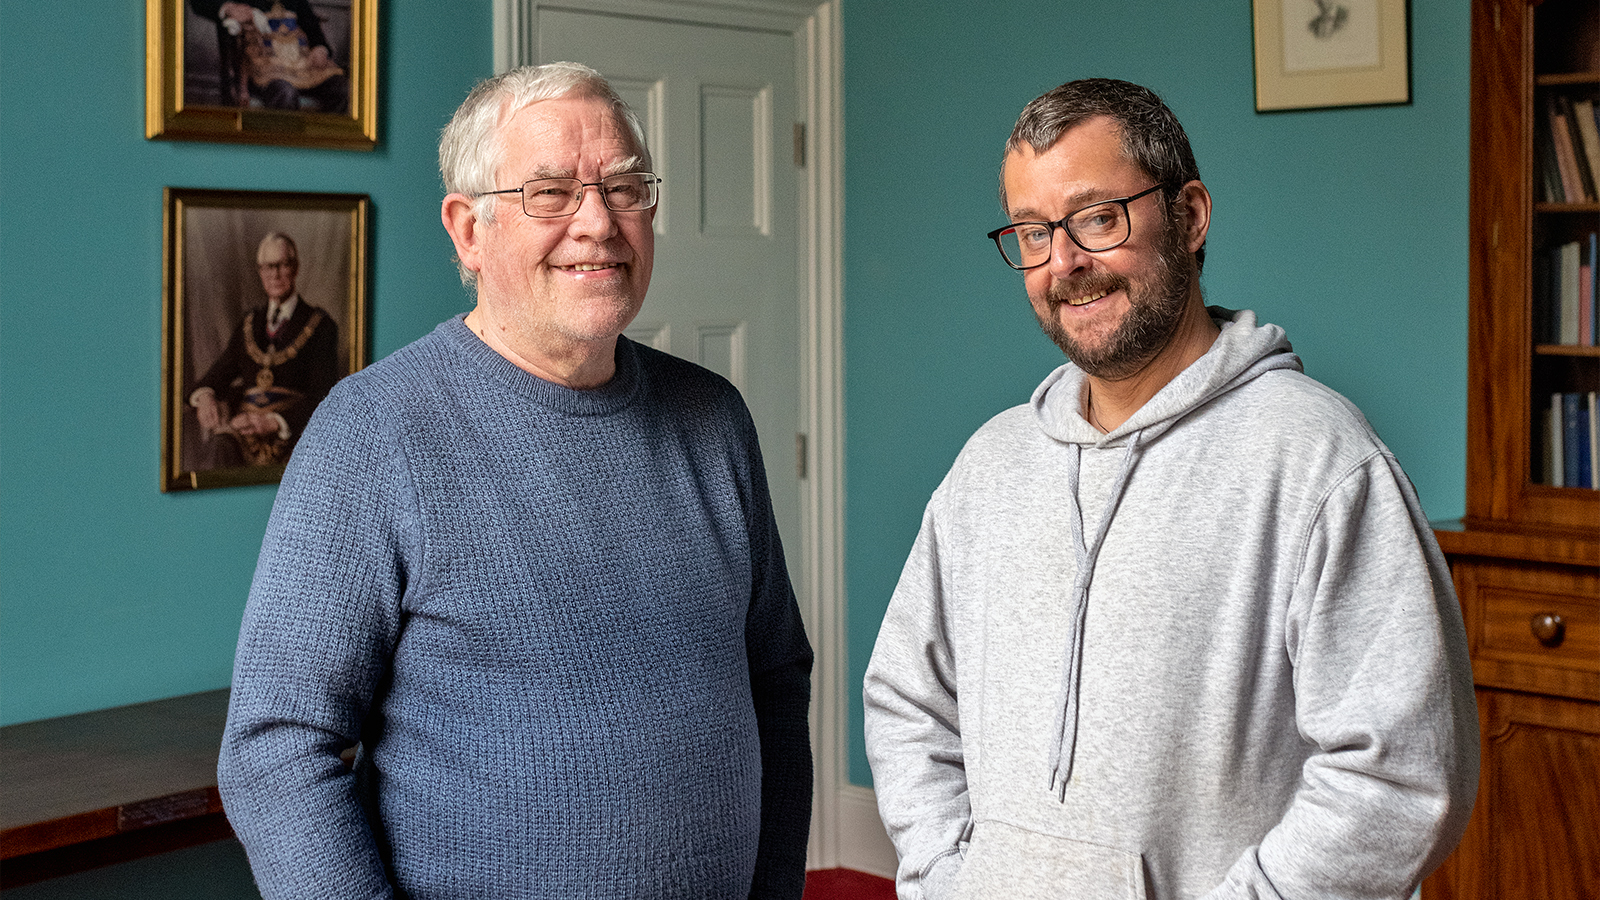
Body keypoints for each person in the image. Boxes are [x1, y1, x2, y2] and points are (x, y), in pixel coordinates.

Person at [862, 78, 1477, 900]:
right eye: (1034, 233)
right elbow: (908, 700)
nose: (1065, 264)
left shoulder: (1319, 460)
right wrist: (949, 880)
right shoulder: (990, 466)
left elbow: (1402, 775)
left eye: (1097, 218)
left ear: (1189, 216)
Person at [218, 62, 813, 899]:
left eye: (625, 187)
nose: (598, 224)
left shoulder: (713, 417)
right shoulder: (373, 433)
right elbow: (275, 750)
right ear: (468, 230)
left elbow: (776, 680)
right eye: (550, 193)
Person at [190, 231, 339, 468]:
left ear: (296, 268)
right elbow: (218, 375)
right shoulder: (250, 322)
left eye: (282, 265)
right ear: (260, 271)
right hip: (247, 432)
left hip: (294, 432)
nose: (275, 274)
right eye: (268, 267)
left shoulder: (320, 325)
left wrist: (275, 422)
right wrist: (207, 396)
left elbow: (324, 396)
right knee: (220, 446)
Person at [187, 0, 349, 112]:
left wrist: (320, 48)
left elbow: (311, 25)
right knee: (285, 93)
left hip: (304, 67)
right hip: (259, 72)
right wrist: (229, 8)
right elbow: (200, 3)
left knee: (344, 89)